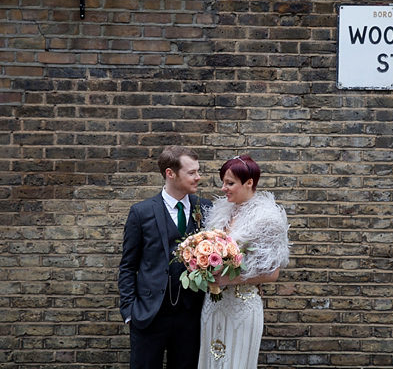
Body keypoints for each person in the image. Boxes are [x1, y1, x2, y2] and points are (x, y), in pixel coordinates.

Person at [118, 146, 212, 369]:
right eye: (191, 173)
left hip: (191, 316)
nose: (198, 177)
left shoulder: (206, 208)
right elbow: (128, 266)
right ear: (170, 173)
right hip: (149, 314)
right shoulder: (141, 213)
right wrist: (130, 311)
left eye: (197, 171)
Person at [197, 155, 290, 369]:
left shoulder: (267, 218)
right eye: (223, 183)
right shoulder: (221, 212)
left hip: (242, 305)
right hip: (213, 304)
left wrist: (227, 280)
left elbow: (272, 273)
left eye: (230, 183)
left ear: (249, 183)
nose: (223, 188)